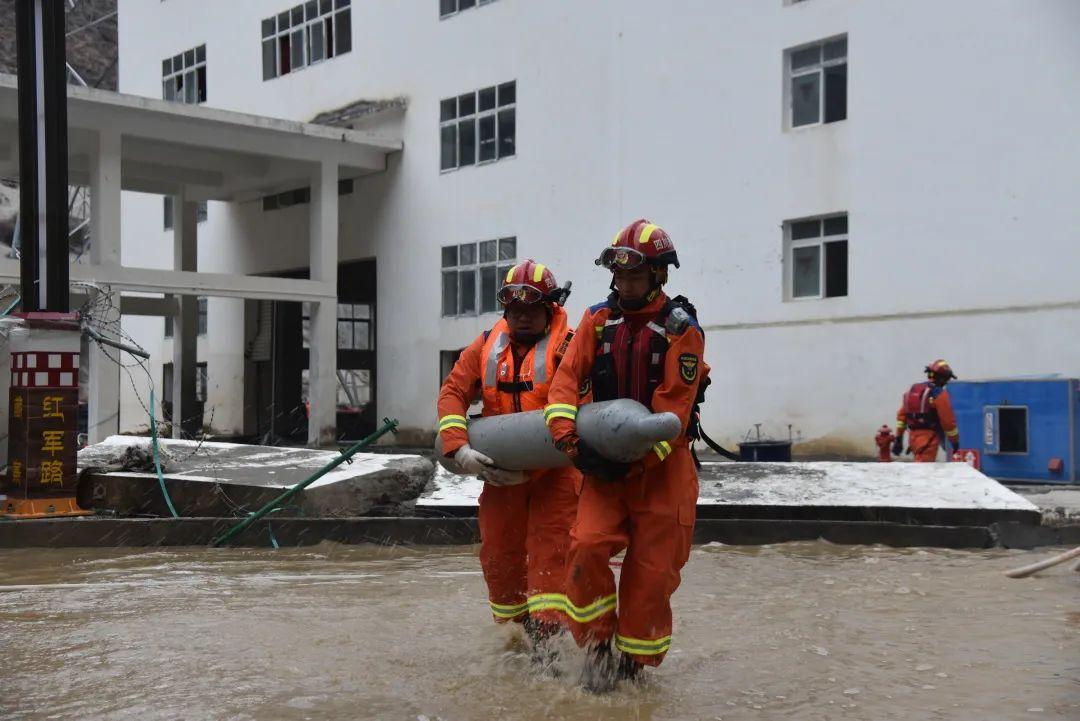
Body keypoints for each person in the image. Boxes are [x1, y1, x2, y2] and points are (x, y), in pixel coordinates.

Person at [543, 219, 707, 691]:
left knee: (652, 576)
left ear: (658, 275)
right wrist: (568, 437)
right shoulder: (596, 321)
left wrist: (637, 458)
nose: (626, 284)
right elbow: (566, 382)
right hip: (603, 465)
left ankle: (630, 668)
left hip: (663, 469)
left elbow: (672, 412)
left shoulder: (682, 332)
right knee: (587, 545)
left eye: (636, 275)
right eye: (620, 276)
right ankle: (596, 646)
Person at [436, 260, 581, 659]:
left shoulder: (570, 346)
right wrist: (458, 447)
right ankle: (514, 643)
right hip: (500, 475)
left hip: (557, 476)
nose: (520, 315)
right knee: (500, 559)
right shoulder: (485, 345)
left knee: (552, 557)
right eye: (513, 308)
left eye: (530, 307)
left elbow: (583, 408)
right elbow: (453, 393)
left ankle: (551, 647)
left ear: (550, 307)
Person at [893, 359, 960, 462]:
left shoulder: (914, 389)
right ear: (942, 378)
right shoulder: (939, 394)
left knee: (920, 466)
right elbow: (948, 422)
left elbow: (901, 416)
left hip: (913, 438)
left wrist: (899, 438)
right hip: (929, 439)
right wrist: (954, 442)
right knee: (924, 471)